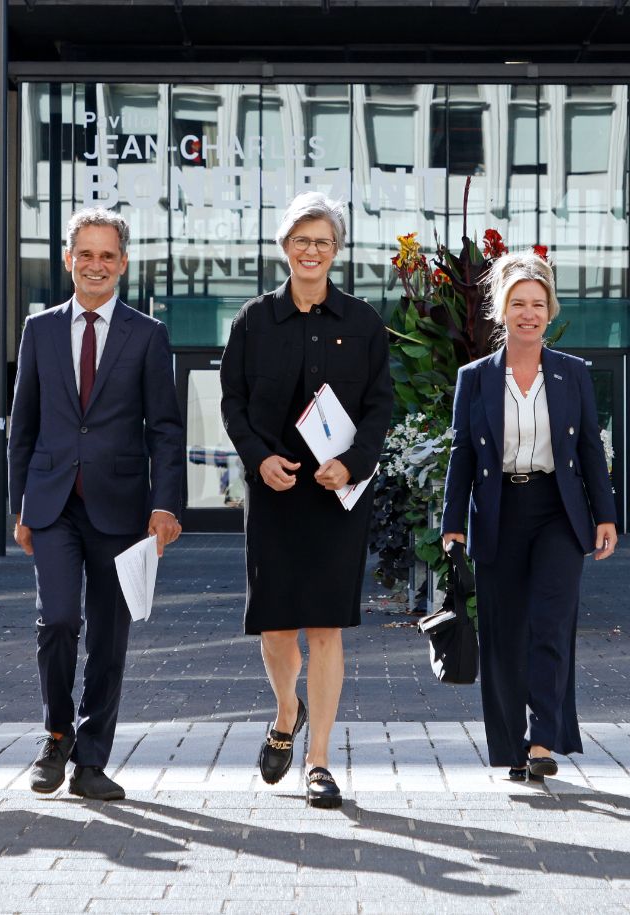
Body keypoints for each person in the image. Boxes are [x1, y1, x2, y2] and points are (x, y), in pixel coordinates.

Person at [220, 192, 391, 808]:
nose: (311, 251)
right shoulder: (252, 321)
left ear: (335, 251)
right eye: (301, 240)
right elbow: (232, 404)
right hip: (274, 495)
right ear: (284, 247)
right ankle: (285, 710)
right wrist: (259, 459)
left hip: (335, 499)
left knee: (325, 629)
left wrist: (351, 465)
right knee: (274, 632)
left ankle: (319, 760)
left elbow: (380, 408)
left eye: (322, 241)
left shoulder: (363, 323)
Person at [9, 208, 186, 802]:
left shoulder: (148, 334)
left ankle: (91, 760)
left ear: (123, 264)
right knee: (58, 620)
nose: (96, 265)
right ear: (68, 260)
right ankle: (56, 731)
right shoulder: (39, 330)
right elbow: (23, 427)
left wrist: (166, 505)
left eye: (107, 255)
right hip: (54, 502)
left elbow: (165, 428)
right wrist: (21, 507)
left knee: (109, 636)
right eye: (85, 254)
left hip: (121, 508)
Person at [440, 252, 619, 783]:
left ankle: (544, 739)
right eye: (518, 303)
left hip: (558, 513)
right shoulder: (474, 378)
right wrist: (453, 520)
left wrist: (604, 516)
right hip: (497, 511)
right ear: (501, 309)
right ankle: (510, 746)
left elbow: (590, 451)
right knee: (503, 632)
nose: (529, 313)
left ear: (550, 311)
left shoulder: (573, 374)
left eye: (538, 304)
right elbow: (462, 454)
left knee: (551, 623)